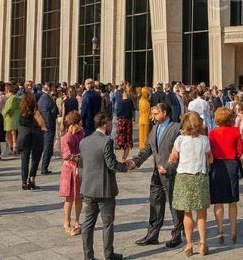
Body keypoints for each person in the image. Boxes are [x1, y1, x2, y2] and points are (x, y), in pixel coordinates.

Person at [129, 102, 184, 248]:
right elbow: (148, 148)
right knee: (155, 203)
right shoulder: (155, 127)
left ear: (164, 113)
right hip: (156, 173)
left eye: (155, 113)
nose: (152, 116)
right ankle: (152, 235)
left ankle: (177, 235)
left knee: (174, 205)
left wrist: (169, 168)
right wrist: (135, 162)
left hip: (172, 173)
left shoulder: (176, 128)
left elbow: (181, 153)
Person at [79, 112, 127, 260]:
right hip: (105, 189)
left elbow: (81, 166)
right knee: (107, 223)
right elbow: (111, 164)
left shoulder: (84, 141)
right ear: (105, 124)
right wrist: (125, 166)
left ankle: (88, 256)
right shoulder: (107, 141)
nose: (112, 125)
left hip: (88, 188)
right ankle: (109, 254)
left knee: (88, 224)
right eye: (110, 122)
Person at [168, 112, 212, 257]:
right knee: (201, 213)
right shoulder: (204, 139)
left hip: (184, 177)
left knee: (187, 213)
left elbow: (173, 158)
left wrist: (169, 162)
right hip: (200, 176)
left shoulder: (180, 139)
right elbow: (209, 158)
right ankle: (203, 243)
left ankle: (189, 245)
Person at [208, 107, 242, 244]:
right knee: (232, 200)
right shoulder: (235, 131)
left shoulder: (212, 133)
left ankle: (220, 230)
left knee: (218, 201)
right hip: (232, 164)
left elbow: (209, 151)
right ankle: (233, 230)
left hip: (217, 165)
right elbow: (240, 150)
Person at [59, 111, 84, 236]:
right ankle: (66, 222)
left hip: (79, 168)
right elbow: (66, 155)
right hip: (69, 169)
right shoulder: (66, 137)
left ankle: (77, 221)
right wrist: (80, 156)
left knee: (79, 196)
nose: (81, 125)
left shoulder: (80, 134)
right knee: (69, 197)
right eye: (79, 123)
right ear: (74, 124)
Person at [17, 92, 46, 190]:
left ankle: (24, 182)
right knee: (35, 159)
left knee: (24, 161)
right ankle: (32, 179)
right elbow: (42, 124)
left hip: (24, 138)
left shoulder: (21, 112)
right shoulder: (36, 111)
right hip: (36, 137)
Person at [38, 83, 59, 175]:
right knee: (48, 147)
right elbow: (55, 112)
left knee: (42, 146)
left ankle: (40, 166)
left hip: (41, 125)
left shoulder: (41, 99)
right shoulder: (49, 99)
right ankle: (44, 167)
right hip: (49, 125)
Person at [112, 83, 135, 162]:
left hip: (121, 122)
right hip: (128, 122)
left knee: (120, 140)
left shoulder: (120, 102)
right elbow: (132, 111)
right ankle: (123, 159)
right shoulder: (130, 101)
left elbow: (117, 113)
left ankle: (118, 159)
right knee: (127, 141)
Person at [2, 82, 20, 155]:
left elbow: (9, 108)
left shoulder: (12, 98)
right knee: (13, 132)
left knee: (9, 132)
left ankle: (12, 147)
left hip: (10, 116)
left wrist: (3, 113)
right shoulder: (16, 97)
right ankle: (13, 146)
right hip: (15, 116)